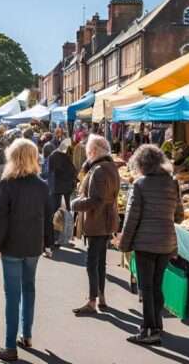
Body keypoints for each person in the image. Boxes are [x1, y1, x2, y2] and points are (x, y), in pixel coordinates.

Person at [0, 139, 52, 362]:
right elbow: (48, 218)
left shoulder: (7, 184)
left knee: (12, 295)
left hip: (12, 245)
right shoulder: (42, 185)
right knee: (29, 288)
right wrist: (48, 242)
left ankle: (10, 345)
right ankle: (27, 334)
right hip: (33, 245)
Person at [118, 145, 183, 345]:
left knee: (146, 288)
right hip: (166, 242)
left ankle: (148, 329)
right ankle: (157, 325)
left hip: (145, 244)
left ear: (141, 164)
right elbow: (179, 216)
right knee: (156, 285)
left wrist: (123, 244)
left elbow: (131, 219)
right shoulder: (173, 183)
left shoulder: (140, 185)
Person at [70, 134, 120, 315]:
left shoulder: (99, 170)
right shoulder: (111, 167)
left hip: (97, 221)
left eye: (88, 151)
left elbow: (96, 200)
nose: (87, 154)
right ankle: (101, 297)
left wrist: (75, 204)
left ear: (93, 151)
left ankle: (92, 301)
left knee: (92, 263)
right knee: (100, 262)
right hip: (106, 220)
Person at [45, 139, 77, 255]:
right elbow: (73, 172)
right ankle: (63, 237)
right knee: (64, 214)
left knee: (55, 214)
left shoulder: (53, 157)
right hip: (65, 190)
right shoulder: (65, 158)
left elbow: (48, 172)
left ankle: (54, 238)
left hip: (55, 189)